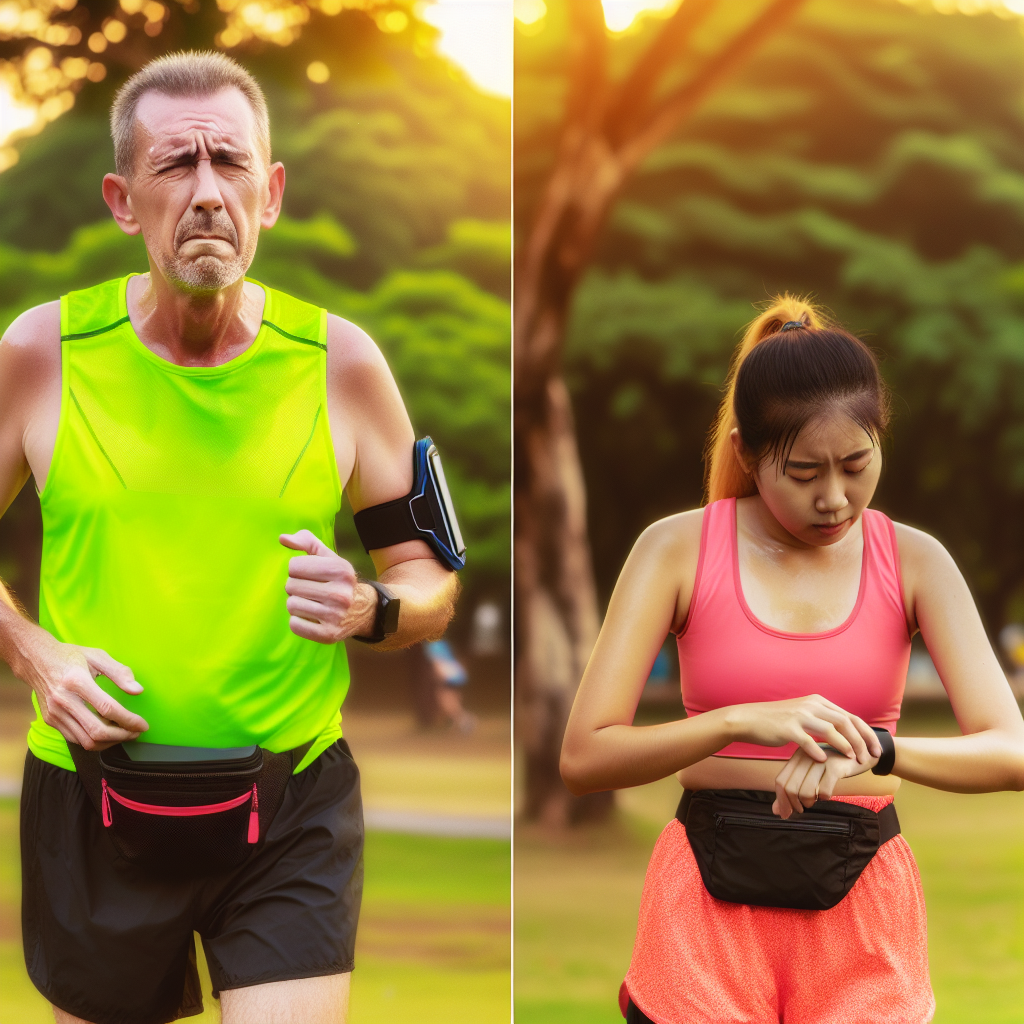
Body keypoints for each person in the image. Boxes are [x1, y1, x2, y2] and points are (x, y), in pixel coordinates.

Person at [0, 52, 459, 1024]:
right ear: (124, 200)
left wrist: (376, 607)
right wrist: (35, 655)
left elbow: (427, 579)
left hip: (289, 801)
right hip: (92, 804)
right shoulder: (40, 354)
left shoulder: (343, 363)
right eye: (176, 167)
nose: (207, 193)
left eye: (230, 163)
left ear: (272, 190)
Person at [559, 296, 1024, 1024]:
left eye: (855, 465)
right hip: (708, 904)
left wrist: (878, 750)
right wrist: (738, 721)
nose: (834, 498)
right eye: (803, 471)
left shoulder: (916, 562)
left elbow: (1012, 752)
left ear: (881, 441)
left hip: (864, 895)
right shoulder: (675, 548)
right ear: (745, 451)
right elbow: (584, 757)